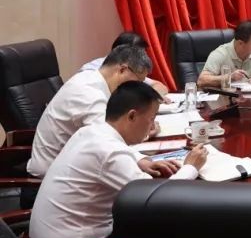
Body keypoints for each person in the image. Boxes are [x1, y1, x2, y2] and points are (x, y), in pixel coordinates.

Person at [30, 81, 207, 238]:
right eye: (152, 118)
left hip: (54, 237)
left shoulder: (89, 131)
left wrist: (140, 162)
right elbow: (159, 200)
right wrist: (191, 167)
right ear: (131, 116)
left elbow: (114, 156)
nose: (153, 126)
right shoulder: (110, 153)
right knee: (172, 230)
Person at [30, 45, 157, 178]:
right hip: (53, 174)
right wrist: (140, 159)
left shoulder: (92, 79)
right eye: (138, 81)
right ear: (122, 70)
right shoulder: (88, 93)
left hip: (74, 163)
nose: (138, 88)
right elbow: (107, 139)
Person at [80, 31, 168, 95]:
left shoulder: (132, 70)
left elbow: (160, 86)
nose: (143, 58)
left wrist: (153, 97)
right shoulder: (91, 71)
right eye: (139, 55)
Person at [199, 20, 251, 88]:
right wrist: (229, 77)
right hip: (227, 99)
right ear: (241, 43)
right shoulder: (220, 54)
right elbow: (201, 80)